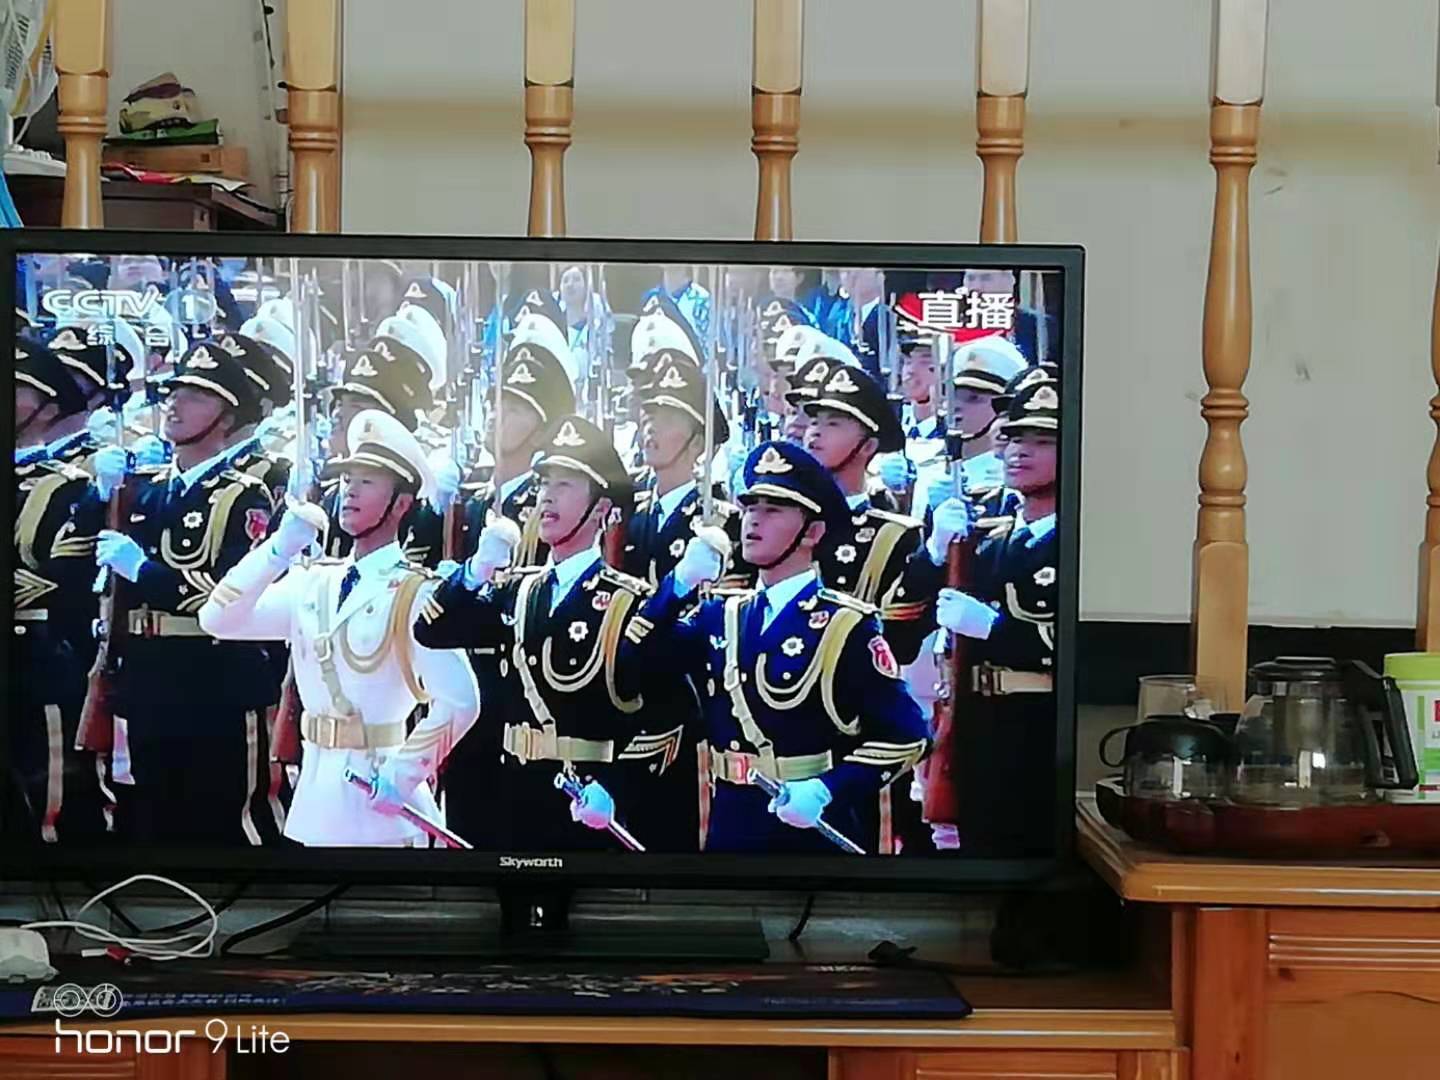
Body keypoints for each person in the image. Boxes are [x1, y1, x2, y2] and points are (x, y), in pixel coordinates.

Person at [628, 441, 930, 854]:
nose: (753, 520)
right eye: (750, 507)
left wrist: (828, 788)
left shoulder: (846, 624)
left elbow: (908, 735)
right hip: (731, 821)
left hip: (810, 827)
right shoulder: (720, 615)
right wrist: (677, 585)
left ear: (813, 532)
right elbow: (635, 662)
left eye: (773, 510)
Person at [199, 410, 480, 847]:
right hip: (313, 801)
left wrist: (405, 774)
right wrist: (277, 550)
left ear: (401, 503)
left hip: (381, 804)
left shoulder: (414, 592)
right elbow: (218, 619)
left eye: (368, 481)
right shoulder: (313, 582)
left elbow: (461, 701)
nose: (350, 489)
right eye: (348, 478)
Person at [414, 415, 658, 852]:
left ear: (601, 508)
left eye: (565, 485)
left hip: (583, 804)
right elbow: (432, 629)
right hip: (510, 793)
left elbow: (659, 717)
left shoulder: (627, 601)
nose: (547, 496)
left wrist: (616, 787)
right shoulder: (517, 590)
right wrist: (474, 572)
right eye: (545, 484)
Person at [75, 338, 286, 846]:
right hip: (149, 675)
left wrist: (144, 571)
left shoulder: (243, 495)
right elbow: (75, 558)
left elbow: (228, 593)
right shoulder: (142, 488)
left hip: (213, 675)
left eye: (196, 396)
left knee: (226, 815)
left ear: (227, 417)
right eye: (174, 392)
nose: (175, 404)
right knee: (152, 813)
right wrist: (95, 497)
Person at [433, 335, 576, 849]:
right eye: (496, 405)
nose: (497, 417)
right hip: (458, 685)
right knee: (461, 825)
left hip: (512, 689)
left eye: (514, 409)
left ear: (540, 424)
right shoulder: (468, 503)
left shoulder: (544, 510)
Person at [926, 366, 1060, 854]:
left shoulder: (1076, 542)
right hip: (977, 724)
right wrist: (934, 551)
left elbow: (1073, 644)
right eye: (1015, 437)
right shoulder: (989, 538)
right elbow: (905, 614)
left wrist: (994, 630)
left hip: (1038, 728)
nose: (1020, 451)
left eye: (1042, 441)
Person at [8, 339, 110, 843]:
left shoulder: (67, 487)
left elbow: (61, 580)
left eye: (18, 390)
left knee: (50, 800)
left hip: (37, 657)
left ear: (48, 410)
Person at [787, 361, 935, 664]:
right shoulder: (782, 519)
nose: (815, 432)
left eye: (833, 424)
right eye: (815, 421)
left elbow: (900, 641)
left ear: (867, 446)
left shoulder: (892, 536)